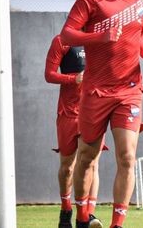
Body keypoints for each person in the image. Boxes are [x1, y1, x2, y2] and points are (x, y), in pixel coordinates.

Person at [60, 0, 143, 228]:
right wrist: (99, 37)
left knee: (127, 156)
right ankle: (82, 217)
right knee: (88, 156)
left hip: (129, 91)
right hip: (95, 91)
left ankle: (118, 223)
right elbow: (67, 34)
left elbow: (140, 36)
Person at [44, 35, 103, 228]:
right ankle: (66, 208)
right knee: (68, 167)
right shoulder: (62, 40)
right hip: (68, 113)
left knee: (92, 164)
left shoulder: (102, 40)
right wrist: (74, 78)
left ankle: (88, 214)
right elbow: (49, 74)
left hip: (94, 111)